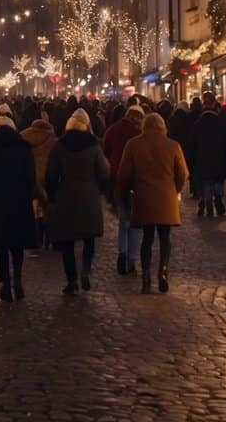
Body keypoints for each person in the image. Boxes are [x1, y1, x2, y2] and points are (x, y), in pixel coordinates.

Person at [118, 113, 188, 294]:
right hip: (166, 198)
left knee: (147, 238)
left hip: (143, 197)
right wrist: (175, 190)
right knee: (165, 238)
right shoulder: (173, 146)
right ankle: (163, 272)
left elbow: (124, 174)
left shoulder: (133, 144)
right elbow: (183, 173)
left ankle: (146, 275)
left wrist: (126, 192)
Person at [44, 108, 109, 296]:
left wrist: (52, 195)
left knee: (67, 243)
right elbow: (104, 172)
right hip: (89, 196)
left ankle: (71, 280)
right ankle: (85, 270)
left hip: (66, 197)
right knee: (89, 239)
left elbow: (51, 175)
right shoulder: (94, 145)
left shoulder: (59, 145)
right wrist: (101, 189)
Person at [0, 115, 42, 302]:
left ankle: (6, 285)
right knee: (17, 245)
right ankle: (18, 282)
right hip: (19, 201)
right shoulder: (23, 148)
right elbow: (31, 178)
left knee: (1, 246)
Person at [103, 104, 144, 275]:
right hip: (136, 182)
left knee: (123, 219)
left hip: (118, 179)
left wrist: (113, 164)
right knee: (135, 223)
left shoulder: (113, 130)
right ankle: (132, 259)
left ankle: (122, 251)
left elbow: (105, 148)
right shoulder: (140, 135)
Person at [21, 118, 57, 253]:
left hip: (31, 179)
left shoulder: (23, 137)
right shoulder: (53, 140)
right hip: (47, 179)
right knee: (47, 209)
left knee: (34, 211)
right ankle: (48, 239)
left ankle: (36, 240)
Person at [189, 93, 226, 217]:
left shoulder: (197, 126)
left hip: (202, 159)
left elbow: (193, 145)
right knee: (217, 182)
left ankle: (206, 202)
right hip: (217, 159)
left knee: (206, 182)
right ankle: (217, 199)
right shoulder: (220, 125)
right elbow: (225, 143)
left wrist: (193, 159)